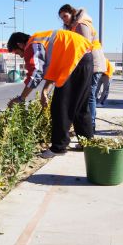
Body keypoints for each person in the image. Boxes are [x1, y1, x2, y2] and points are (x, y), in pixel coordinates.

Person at [6, 29, 95, 157]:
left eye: (18, 53)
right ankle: (87, 143)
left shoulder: (33, 44)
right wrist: (45, 91)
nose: (21, 56)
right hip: (84, 58)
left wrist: (21, 98)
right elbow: (52, 69)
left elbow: (36, 73)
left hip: (74, 61)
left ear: (20, 44)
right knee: (80, 106)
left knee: (60, 107)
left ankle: (58, 148)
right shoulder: (42, 41)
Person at [59, 4, 107, 131]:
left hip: (93, 64)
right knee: (87, 95)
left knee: (89, 95)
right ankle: (88, 126)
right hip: (89, 64)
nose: (64, 19)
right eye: (62, 18)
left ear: (72, 12)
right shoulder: (75, 26)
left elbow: (84, 46)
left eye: (65, 16)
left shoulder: (81, 24)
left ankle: (90, 127)